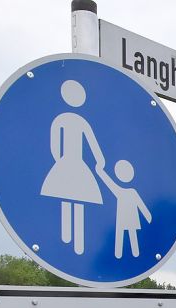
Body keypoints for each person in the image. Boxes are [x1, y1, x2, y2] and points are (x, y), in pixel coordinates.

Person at [40, 79, 106, 255]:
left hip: (71, 163)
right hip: (70, 163)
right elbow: (56, 143)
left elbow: (91, 143)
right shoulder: (63, 119)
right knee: (70, 197)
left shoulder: (73, 121)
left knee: (77, 199)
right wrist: (61, 161)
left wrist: (59, 160)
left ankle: (77, 243)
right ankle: (68, 240)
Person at [98, 160, 152, 259]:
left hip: (130, 218)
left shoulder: (131, 192)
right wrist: (100, 172)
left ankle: (134, 254)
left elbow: (140, 204)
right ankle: (119, 255)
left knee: (131, 235)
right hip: (123, 218)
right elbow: (109, 183)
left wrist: (148, 216)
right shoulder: (122, 191)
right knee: (121, 235)